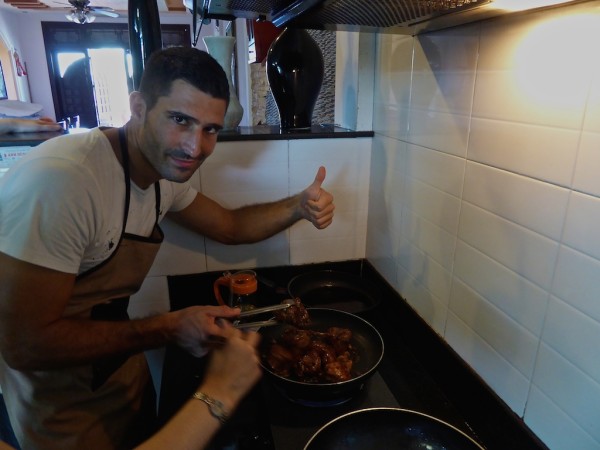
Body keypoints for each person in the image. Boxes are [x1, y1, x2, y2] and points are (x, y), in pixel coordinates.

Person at [0, 46, 335, 450]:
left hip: (122, 377)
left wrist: (297, 206)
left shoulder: (163, 177)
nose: (195, 148)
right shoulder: (65, 182)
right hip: (58, 405)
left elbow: (230, 227)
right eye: (180, 120)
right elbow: (23, 344)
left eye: (210, 129)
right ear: (138, 107)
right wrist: (167, 327)